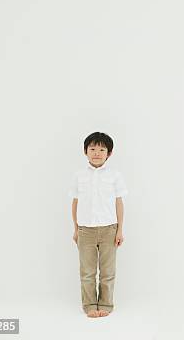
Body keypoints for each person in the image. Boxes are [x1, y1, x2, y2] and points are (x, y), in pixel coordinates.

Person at [69, 132, 128, 318]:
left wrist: (120, 230)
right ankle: (89, 305)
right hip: (85, 229)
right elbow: (75, 202)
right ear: (85, 151)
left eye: (102, 149)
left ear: (109, 153)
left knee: (108, 272)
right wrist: (76, 228)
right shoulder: (79, 176)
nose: (97, 153)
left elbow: (119, 202)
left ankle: (106, 304)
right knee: (87, 272)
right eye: (92, 149)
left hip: (109, 229)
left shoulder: (115, 175)